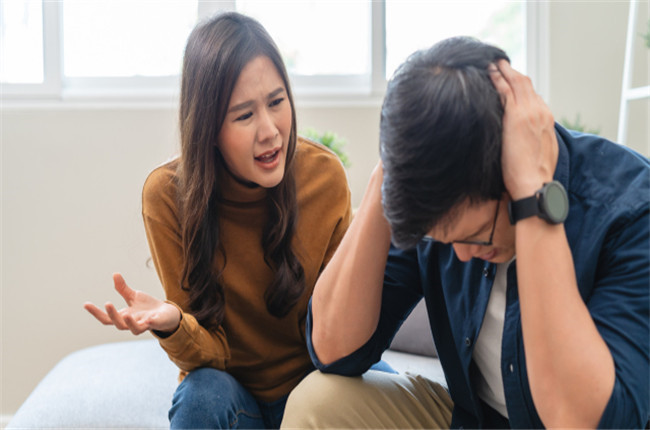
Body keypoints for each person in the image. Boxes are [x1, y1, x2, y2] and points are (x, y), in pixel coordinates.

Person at [281, 36, 649, 429]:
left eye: (476, 235)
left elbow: (589, 422)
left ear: (509, 166)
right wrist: (392, 164)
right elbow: (334, 349)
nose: (459, 255)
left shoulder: (631, 211)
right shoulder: (439, 204)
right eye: (442, 240)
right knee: (319, 404)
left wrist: (534, 197)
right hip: (474, 420)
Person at [84, 12, 355, 429]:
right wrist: (174, 323)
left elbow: (340, 335)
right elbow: (207, 357)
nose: (270, 131)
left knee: (387, 396)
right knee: (200, 396)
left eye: (277, 102)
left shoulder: (323, 177)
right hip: (236, 400)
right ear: (209, 127)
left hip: (315, 387)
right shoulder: (168, 197)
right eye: (244, 116)